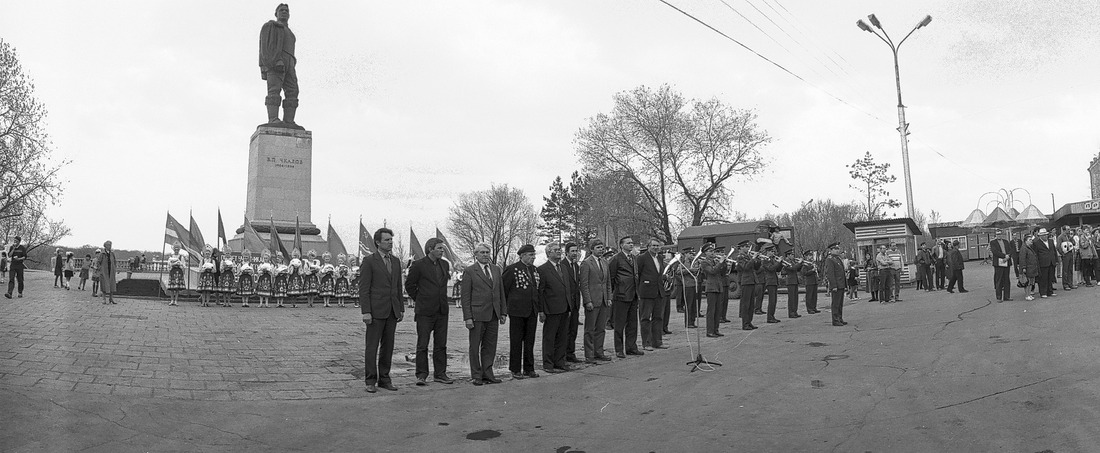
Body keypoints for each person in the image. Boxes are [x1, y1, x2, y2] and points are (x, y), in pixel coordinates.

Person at [360, 228, 404, 393]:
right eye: (387, 240)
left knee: (388, 347)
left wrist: (400, 308)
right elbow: (364, 289)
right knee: (372, 347)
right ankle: (370, 380)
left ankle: (385, 379)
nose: (390, 242)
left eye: (391, 239)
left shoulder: (396, 261)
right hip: (375, 311)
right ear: (378, 242)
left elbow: (398, 286)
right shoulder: (369, 261)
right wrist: (366, 311)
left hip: (392, 311)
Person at [405, 237, 453, 386]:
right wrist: (420, 299)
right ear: (430, 249)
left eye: (442, 248)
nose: (442, 250)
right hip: (425, 311)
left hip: (441, 310)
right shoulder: (418, 265)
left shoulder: (444, 265)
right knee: (422, 344)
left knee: (441, 344)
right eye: (439, 248)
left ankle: (440, 373)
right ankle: (421, 374)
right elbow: (409, 285)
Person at [460, 242, 506, 386]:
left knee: (490, 345)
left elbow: (501, 292)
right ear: (476, 255)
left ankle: (488, 373)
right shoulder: (470, 271)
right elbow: (465, 296)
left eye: (487, 252)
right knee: (475, 346)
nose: (485, 255)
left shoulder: (496, 270)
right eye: (482, 253)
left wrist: (503, 312)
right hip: (477, 314)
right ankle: (476, 375)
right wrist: (467, 317)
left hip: (493, 314)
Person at [259, 3, 300, 127]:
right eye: (281, 10)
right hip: (276, 60)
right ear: (276, 13)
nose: (284, 12)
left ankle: (289, 121)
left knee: (293, 91)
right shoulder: (271, 26)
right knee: (274, 90)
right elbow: (264, 47)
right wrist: (274, 61)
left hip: (290, 63)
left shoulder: (291, 33)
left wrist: (291, 63)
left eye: (286, 10)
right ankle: (273, 119)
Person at [504, 244, 540, 379]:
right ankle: (515, 369)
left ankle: (529, 368)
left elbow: (537, 290)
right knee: (516, 341)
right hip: (517, 311)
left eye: (534, 255)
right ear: (522, 255)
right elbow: (505, 290)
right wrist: (506, 309)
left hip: (532, 311)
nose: (533, 257)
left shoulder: (535, 270)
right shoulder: (512, 269)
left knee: (530, 341)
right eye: (530, 255)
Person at [537, 242, 574, 373]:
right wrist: (541, 310)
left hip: (564, 308)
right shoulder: (542, 269)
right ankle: (548, 363)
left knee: (562, 337)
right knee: (549, 337)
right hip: (550, 309)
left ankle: (560, 361)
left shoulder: (563, 267)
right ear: (548, 253)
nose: (559, 252)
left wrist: (569, 305)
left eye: (560, 250)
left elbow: (567, 288)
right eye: (556, 250)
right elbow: (540, 292)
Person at [608, 236, 642, 358]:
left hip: (633, 295)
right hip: (621, 295)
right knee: (619, 324)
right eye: (628, 243)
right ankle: (619, 349)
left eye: (632, 243)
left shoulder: (634, 258)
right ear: (621, 245)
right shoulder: (616, 259)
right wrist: (612, 294)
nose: (631, 245)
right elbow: (611, 278)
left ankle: (631, 347)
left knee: (632, 324)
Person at [579, 239, 612, 364]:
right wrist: (587, 301)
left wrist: (609, 298)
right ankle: (589, 354)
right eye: (598, 247)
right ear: (592, 249)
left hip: (603, 301)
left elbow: (608, 282)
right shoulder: (586, 263)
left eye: (602, 247)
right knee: (590, 329)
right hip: (592, 301)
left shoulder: (604, 262)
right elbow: (584, 284)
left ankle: (599, 351)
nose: (601, 250)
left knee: (601, 328)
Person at [636, 238, 668, 350]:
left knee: (658, 317)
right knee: (645, 318)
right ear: (648, 246)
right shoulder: (642, 258)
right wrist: (639, 290)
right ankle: (646, 343)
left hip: (659, 292)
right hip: (646, 292)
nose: (655, 247)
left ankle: (658, 341)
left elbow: (659, 273)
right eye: (653, 245)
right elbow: (637, 274)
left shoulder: (660, 257)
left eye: (657, 246)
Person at [700, 243, 728, 337]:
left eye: (713, 251)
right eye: (710, 251)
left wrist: (724, 263)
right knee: (711, 311)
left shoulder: (715, 261)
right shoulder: (704, 262)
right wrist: (720, 262)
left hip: (718, 287)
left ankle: (716, 329)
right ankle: (710, 331)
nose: (713, 253)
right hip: (711, 287)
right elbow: (712, 271)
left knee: (717, 310)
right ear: (705, 253)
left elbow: (723, 273)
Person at [562, 243, 583, 363]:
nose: (575, 253)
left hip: (575, 303)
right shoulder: (563, 265)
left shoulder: (576, 266)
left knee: (573, 329)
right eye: (572, 251)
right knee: (566, 330)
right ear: (567, 252)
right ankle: (563, 354)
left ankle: (571, 352)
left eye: (576, 251)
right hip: (566, 303)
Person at [735, 240, 761, 330]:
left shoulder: (748, 256)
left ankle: (749, 322)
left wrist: (758, 259)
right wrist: (753, 259)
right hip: (746, 281)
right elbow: (745, 268)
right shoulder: (740, 257)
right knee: (746, 304)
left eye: (747, 247)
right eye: (745, 247)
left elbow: (756, 268)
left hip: (752, 280)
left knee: (751, 304)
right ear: (741, 248)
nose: (747, 248)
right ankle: (745, 323)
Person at [823, 243, 847, 326]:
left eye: (838, 249)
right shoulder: (830, 259)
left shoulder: (838, 258)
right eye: (835, 249)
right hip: (836, 285)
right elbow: (830, 274)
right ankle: (835, 319)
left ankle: (840, 318)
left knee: (840, 303)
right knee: (836, 303)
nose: (838, 250)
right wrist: (833, 286)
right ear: (831, 250)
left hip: (841, 284)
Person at [989, 231, 1014, 302]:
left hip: (1006, 262)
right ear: (995, 235)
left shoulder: (1006, 241)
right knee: (999, 280)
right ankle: (999, 297)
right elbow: (995, 251)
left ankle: (1007, 296)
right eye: (997, 234)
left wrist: (1008, 256)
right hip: (998, 263)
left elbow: (1010, 250)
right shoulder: (993, 242)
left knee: (1007, 280)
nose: (999, 235)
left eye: (1000, 234)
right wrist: (1004, 256)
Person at [760, 244, 782, 323]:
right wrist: (777, 263)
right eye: (772, 251)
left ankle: (772, 316)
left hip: (774, 281)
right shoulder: (765, 260)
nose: (773, 253)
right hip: (769, 281)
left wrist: (780, 263)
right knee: (772, 300)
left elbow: (777, 269)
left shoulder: (772, 259)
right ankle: (769, 317)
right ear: (768, 252)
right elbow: (771, 268)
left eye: (773, 251)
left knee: (774, 300)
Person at [1033, 228, 1057, 298]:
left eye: (1046, 235)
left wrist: (1056, 260)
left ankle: (1050, 291)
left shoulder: (1050, 241)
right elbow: (1036, 254)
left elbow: (1054, 251)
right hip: (1043, 263)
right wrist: (1037, 264)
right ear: (1040, 236)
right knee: (1043, 278)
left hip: (1051, 262)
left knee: (1050, 277)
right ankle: (1043, 292)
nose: (1045, 236)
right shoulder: (1036, 243)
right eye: (1043, 235)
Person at [781, 250, 802, 318]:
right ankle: (791, 313)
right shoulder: (786, 261)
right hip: (790, 281)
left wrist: (801, 264)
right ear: (788, 255)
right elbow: (793, 268)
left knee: (795, 297)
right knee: (791, 298)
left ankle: (795, 311)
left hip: (794, 280)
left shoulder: (792, 261)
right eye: (792, 255)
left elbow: (797, 269)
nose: (793, 256)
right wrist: (799, 263)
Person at [1019, 234, 1039, 301]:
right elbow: (1022, 259)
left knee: (1031, 282)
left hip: (1032, 267)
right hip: (1028, 268)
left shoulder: (1029, 248)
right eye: (1029, 240)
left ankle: (1029, 294)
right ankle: (1027, 295)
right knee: (1027, 282)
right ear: (1025, 241)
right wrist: (1023, 267)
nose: (1031, 241)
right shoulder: (1024, 248)